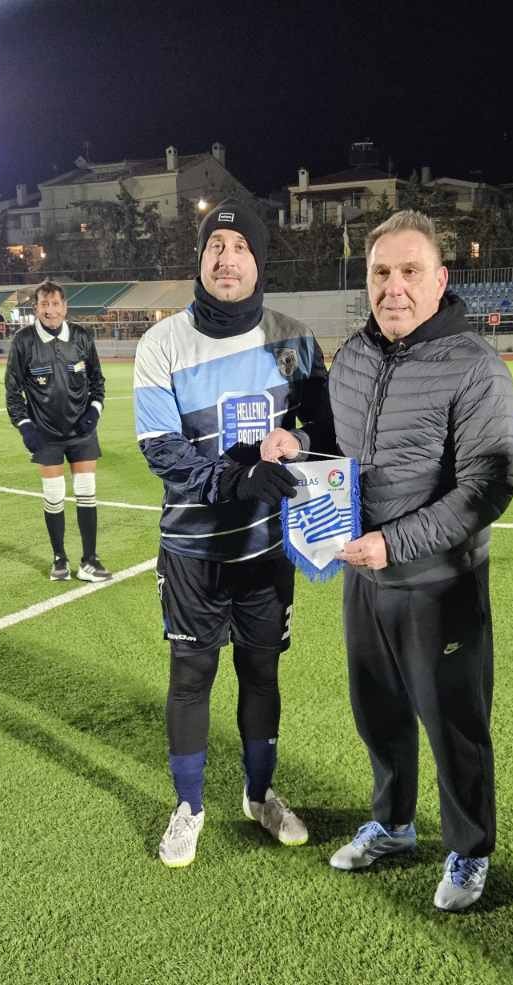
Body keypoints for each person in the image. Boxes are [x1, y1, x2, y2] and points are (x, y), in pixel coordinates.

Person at [325, 210, 513, 912]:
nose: (393, 287)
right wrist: (296, 444)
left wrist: (395, 542)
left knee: (454, 725)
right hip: (363, 578)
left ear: (440, 280)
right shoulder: (352, 356)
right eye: (381, 272)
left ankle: (469, 849)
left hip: (441, 583)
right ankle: (394, 823)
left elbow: (488, 487)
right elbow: (336, 444)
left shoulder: (475, 367)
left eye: (410, 271)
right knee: (376, 712)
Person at [134, 200, 335, 868]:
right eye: (214, 246)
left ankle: (258, 795)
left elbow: (326, 434)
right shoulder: (162, 343)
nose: (227, 259)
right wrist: (238, 479)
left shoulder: (293, 339)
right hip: (192, 552)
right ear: (199, 259)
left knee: (261, 672)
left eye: (240, 246)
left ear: (259, 260)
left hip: (266, 549)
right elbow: (163, 451)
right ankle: (188, 806)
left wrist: (297, 441)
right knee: (191, 675)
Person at [5, 280, 112, 582]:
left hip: (82, 432)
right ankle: (59, 559)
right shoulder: (23, 341)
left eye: (55, 304)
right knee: (53, 495)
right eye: (44, 304)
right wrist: (25, 427)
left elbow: (97, 381)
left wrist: (94, 411)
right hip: (45, 433)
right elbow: (12, 392)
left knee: (86, 491)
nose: (50, 310)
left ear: (65, 307)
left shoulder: (81, 337)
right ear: (36, 308)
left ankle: (89, 561)